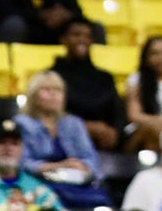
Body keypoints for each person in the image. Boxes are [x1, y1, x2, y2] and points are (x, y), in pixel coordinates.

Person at [16, 70, 110, 210]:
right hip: (39, 183)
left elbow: (91, 159)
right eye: (46, 90)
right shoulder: (21, 124)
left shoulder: (74, 123)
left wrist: (82, 166)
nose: (53, 94)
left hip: (75, 182)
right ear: (33, 96)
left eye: (58, 90)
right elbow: (22, 162)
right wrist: (56, 166)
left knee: (103, 200)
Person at [53, 21, 126, 151]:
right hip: (65, 139)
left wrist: (114, 132)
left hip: (105, 141)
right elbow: (51, 114)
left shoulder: (104, 77)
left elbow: (117, 111)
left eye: (87, 36)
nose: (82, 39)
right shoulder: (53, 76)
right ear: (63, 39)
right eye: (76, 35)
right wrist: (86, 126)